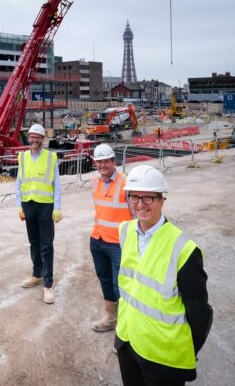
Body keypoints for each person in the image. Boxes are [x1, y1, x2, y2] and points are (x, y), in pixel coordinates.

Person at [115, 165, 213, 385]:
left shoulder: (184, 249)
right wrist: (120, 338)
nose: (140, 205)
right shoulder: (125, 231)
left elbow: (199, 313)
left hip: (163, 356)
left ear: (161, 200)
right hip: (127, 341)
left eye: (148, 198)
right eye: (134, 197)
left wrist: (186, 351)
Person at [15, 123, 62, 304]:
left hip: (46, 207)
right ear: (29, 138)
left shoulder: (51, 158)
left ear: (43, 139)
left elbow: (56, 184)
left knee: (46, 245)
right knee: (34, 242)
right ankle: (37, 274)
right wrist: (19, 205)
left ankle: (48, 283)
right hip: (29, 205)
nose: (34, 139)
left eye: (38, 137)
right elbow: (19, 182)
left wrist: (57, 207)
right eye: (32, 136)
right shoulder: (23, 157)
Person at [90, 143, 133, 333]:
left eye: (106, 161)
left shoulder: (127, 183)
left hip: (118, 244)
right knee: (105, 280)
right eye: (99, 162)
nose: (102, 165)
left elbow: (136, 215)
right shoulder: (94, 182)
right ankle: (110, 317)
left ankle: (126, 328)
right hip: (98, 240)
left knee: (121, 286)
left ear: (113, 162)